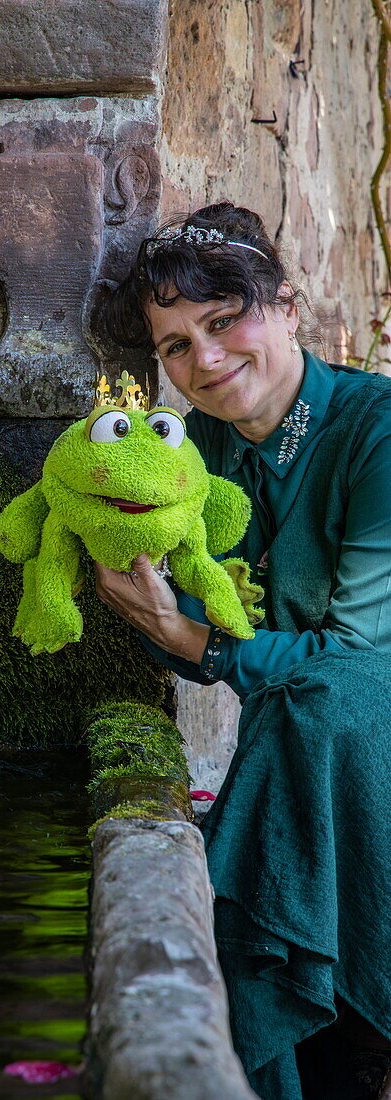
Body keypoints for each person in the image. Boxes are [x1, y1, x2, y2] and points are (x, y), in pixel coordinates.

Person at [94, 202, 391, 1100]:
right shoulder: (199, 454)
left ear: (288, 307)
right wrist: (152, 613)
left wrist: (189, 639)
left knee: (323, 703)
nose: (206, 360)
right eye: (176, 345)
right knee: (304, 714)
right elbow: (209, 640)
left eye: (224, 322)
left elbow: (357, 655)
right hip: (312, 746)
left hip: (365, 729)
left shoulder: (373, 430)